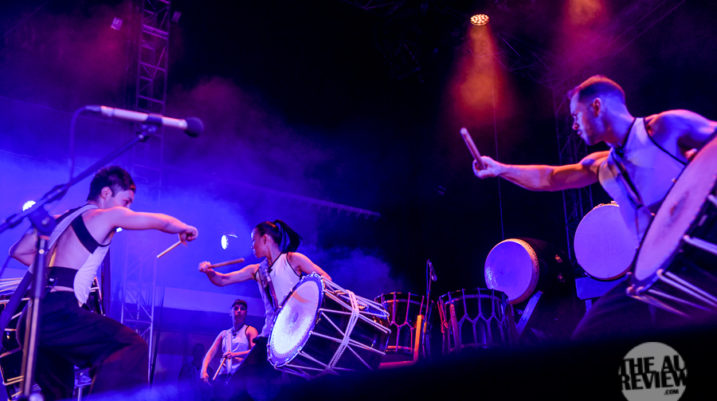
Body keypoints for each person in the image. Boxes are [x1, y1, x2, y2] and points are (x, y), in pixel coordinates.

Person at [473, 75, 716, 339]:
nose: (574, 125)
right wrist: (501, 169)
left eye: (576, 115)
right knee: (588, 339)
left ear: (597, 106)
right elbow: (550, 177)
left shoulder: (663, 128)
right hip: (649, 272)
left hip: (700, 246)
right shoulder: (603, 166)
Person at [10, 166, 199, 400]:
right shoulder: (103, 215)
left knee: (58, 393)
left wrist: (56, 266)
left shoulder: (60, 219)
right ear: (106, 193)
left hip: (30, 318)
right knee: (130, 346)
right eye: (126, 201)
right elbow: (156, 221)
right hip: (59, 313)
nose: (126, 209)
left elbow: (18, 251)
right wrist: (184, 227)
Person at [198, 220, 331, 400]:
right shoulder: (257, 270)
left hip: (296, 334)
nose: (252, 245)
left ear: (266, 238)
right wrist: (209, 272)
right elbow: (223, 280)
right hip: (270, 338)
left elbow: (325, 279)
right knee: (239, 389)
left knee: (297, 389)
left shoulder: (293, 259)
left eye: (254, 240)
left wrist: (307, 302)